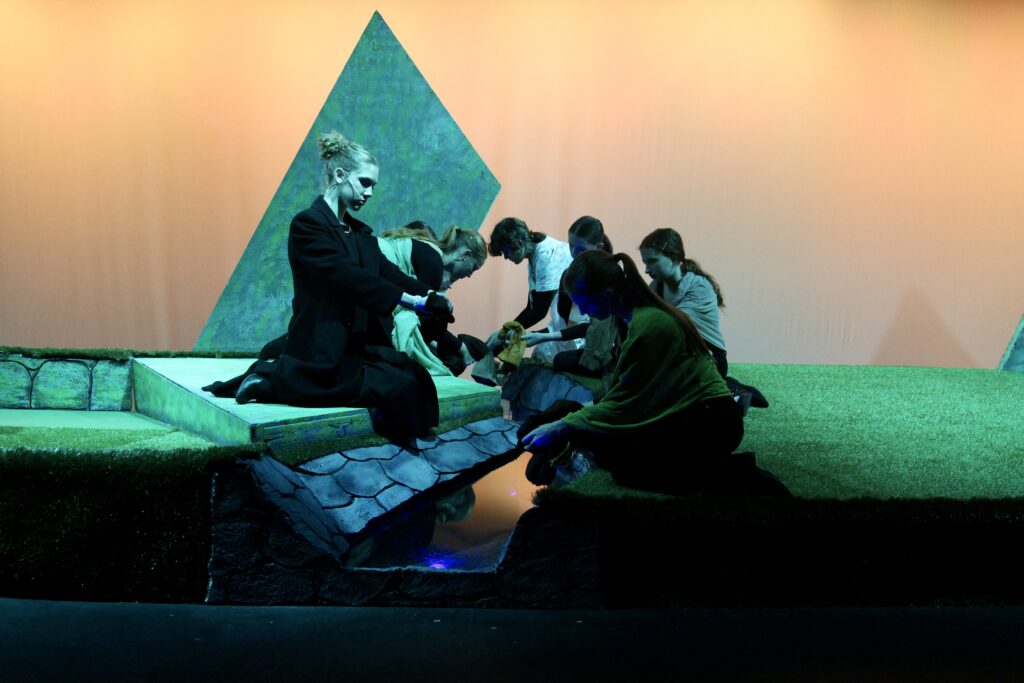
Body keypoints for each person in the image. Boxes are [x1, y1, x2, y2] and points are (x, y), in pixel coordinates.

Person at [203, 131, 452, 442]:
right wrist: (412, 302)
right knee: (394, 387)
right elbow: (347, 276)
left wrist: (430, 295)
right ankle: (270, 380)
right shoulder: (308, 224)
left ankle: (280, 377)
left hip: (356, 342)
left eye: (373, 186)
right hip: (322, 341)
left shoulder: (359, 234)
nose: (370, 193)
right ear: (340, 175)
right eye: (365, 183)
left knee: (414, 377)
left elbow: (388, 273)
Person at [518, 250, 750, 494]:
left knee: (628, 466)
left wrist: (562, 426)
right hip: (682, 409)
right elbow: (624, 395)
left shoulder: (648, 326)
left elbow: (624, 403)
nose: (583, 311)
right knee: (608, 447)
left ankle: (740, 473)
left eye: (584, 303)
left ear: (607, 295)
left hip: (712, 421)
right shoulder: (629, 318)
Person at [376, 224, 488, 376]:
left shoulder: (429, 252)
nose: (469, 275)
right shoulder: (433, 262)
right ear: (465, 255)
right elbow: (425, 322)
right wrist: (459, 347)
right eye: (473, 267)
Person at [522, 216, 619, 381]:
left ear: (599, 247)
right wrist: (537, 335)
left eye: (581, 249)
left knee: (559, 361)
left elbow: (595, 327)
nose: (574, 254)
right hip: (575, 342)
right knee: (540, 357)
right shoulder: (570, 273)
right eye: (571, 246)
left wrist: (545, 336)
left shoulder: (608, 276)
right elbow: (563, 322)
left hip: (602, 347)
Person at [486, 217, 586, 364]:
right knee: (538, 355)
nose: (506, 257)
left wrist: (505, 332)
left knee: (542, 360)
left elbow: (539, 311)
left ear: (518, 243)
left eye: (505, 251)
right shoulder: (534, 256)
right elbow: (531, 306)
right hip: (566, 324)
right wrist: (507, 331)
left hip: (580, 328)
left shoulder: (546, 255)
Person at [639, 228, 728, 377]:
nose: (647, 270)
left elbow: (673, 324)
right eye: (645, 262)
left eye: (653, 261)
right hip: (676, 354)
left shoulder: (699, 287)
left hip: (709, 358)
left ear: (674, 258)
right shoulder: (655, 287)